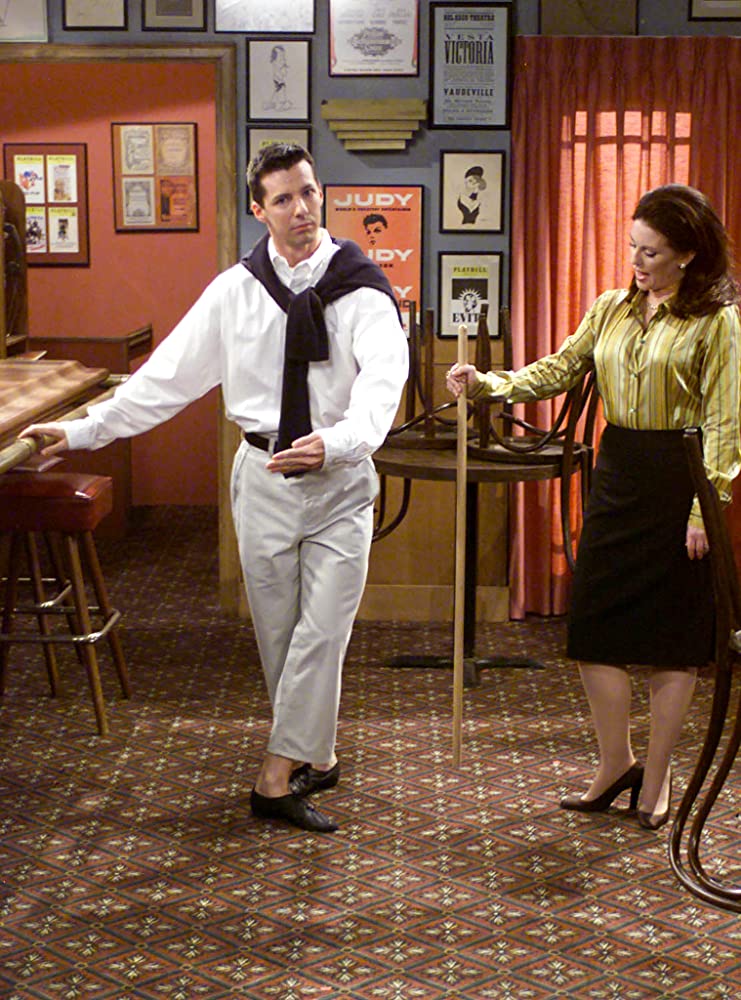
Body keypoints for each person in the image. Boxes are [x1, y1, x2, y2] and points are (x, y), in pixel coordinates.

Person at [22, 142, 409, 834]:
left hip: (340, 480)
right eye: (283, 199)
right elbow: (164, 382)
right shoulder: (235, 292)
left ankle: (272, 777)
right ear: (259, 210)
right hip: (261, 478)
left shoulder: (363, 288)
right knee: (280, 637)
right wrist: (81, 432)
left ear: (321, 193)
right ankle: (315, 753)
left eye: (308, 192)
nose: (301, 209)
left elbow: (383, 385)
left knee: (323, 632)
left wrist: (340, 441)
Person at [447, 184, 741, 830]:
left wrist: (704, 511)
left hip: (679, 480)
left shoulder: (717, 320)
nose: (636, 262)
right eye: (633, 247)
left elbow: (724, 423)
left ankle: (656, 779)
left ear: (687, 254)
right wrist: (488, 385)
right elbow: (558, 369)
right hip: (619, 471)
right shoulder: (610, 307)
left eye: (650, 252)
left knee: (672, 641)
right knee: (592, 629)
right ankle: (616, 763)